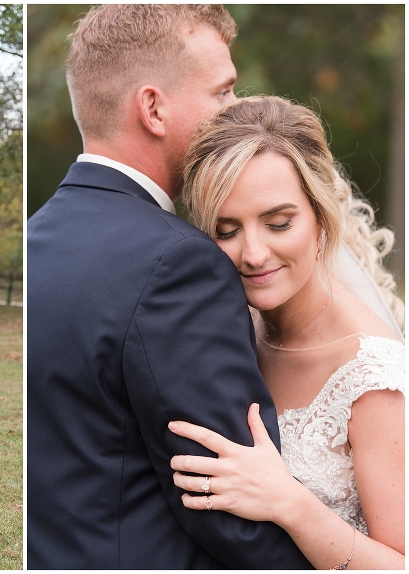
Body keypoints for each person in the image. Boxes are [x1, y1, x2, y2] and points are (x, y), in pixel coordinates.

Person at [27, 5, 311, 569]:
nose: (237, 110)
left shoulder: (36, 238)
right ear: (153, 108)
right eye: (223, 93)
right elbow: (233, 516)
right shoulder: (179, 265)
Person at [170, 95, 405, 569]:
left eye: (278, 223)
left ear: (320, 219)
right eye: (226, 229)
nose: (253, 253)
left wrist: (290, 503)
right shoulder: (224, 333)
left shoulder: (374, 378)